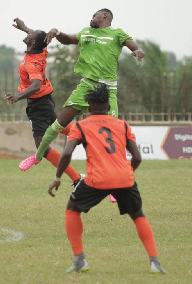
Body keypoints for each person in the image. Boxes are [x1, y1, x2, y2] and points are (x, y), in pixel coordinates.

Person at [47, 84, 167, 274]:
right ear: (109, 104)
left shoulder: (80, 126)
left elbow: (67, 153)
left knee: (72, 209)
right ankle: (155, 262)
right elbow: (137, 157)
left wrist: (57, 178)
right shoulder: (123, 125)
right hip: (124, 178)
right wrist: (127, 173)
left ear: (88, 107)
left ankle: (80, 261)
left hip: (97, 180)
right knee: (138, 215)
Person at [19, 8, 145, 171]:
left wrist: (138, 51)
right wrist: (56, 32)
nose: (91, 18)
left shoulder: (117, 33)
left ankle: (116, 182)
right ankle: (37, 157)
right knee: (58, 125)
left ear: (105, 16)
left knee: (113, 135)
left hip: (107, 91)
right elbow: (68, 40)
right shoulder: (86, 32)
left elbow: (134, 46)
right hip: (86, 87)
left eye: (94, 15)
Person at [5, 18, 82, 183]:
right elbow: (38, 37)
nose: (29, 32)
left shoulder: (32, 63)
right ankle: (87, 134)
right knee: (59, 128)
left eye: (31, 33)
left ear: (32, 41)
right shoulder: (39, 49)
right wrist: (24, 27)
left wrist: (18, 96)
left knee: (43, 148)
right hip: (44, 102)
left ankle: (76, 179)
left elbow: (36, 85)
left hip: (39, 105)